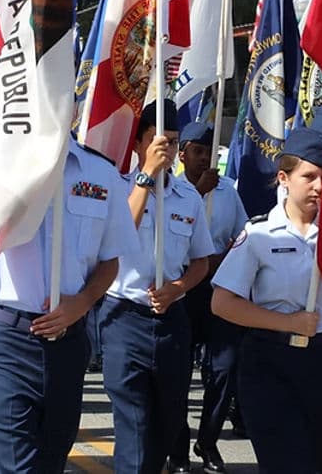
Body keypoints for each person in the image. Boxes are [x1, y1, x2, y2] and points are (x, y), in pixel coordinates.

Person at [0, 134, 138, 473]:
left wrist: (83, 302)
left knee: (51, 461)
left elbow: (110, 259)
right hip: (8, 339)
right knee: (15, 466)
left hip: (68, 342)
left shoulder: (100, 172)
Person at [210, 122, 322, 473]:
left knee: (320, 462)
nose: (319, 185)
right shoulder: (258, 234)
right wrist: (288, 322)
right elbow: (222, 303)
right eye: (309, 176)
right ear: (284, 179)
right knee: (286, 464)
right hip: (270, 363)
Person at [101, 100, 214, 474]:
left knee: (168, 421)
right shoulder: (117, 190)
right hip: (124, 317)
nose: (166, 149)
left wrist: (178, 288)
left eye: (172, 141)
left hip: (170, 320)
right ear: (138, 144)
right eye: (156, 140)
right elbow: (118, 235)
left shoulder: (189, 198)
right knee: (134, 422)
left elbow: (201, 260)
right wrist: (147, 176)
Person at [168, 121, 247, 474]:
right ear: (182, 154)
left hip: (220, 290)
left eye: (209, 152)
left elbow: (242, 236)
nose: (204, 159)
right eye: (197, 152)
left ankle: (208, 440)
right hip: (183, 290)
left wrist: (230, 255)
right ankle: (178, 448)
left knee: (224, 368)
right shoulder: (171, 191)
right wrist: (198, 193)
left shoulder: (228, 190)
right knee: (178, 374)